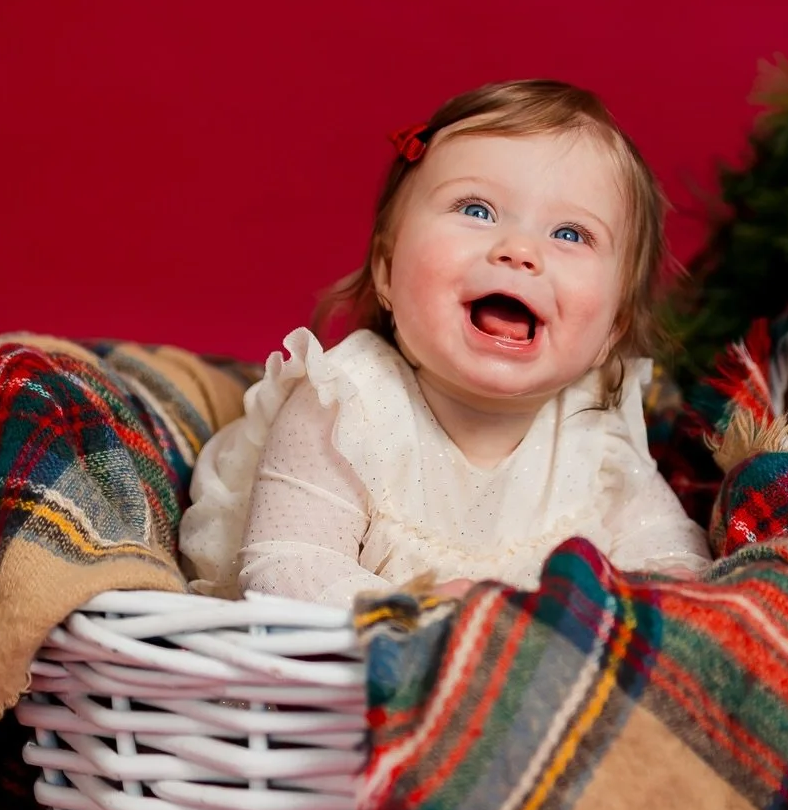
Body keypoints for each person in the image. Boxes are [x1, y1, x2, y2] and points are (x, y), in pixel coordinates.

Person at [180, 79, 711, 605]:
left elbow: (668, 547)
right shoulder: (345, 408)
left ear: (614, 328)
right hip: (352, 649)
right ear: (386, 270)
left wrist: (663, 592)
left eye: (570, 234)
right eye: (477, 210)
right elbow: (284, 568)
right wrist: (419, 611)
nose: (520, 250)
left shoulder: (594, 431)